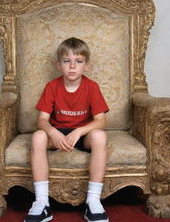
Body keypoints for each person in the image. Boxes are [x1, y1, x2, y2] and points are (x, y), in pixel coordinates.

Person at [24, 37, 109, 222]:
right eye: (66, 61)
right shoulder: (52, 86)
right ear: (58, 65)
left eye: (78, 61)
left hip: (82, 134)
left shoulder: (91, 87)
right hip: (58, 134)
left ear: (86, 65)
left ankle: (93, 202)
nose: (72, 66)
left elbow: (101, 121)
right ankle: (42, 203)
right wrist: (53, 132)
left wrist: (79, 131)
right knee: (38, 136)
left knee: (100, 136)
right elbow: (42, 121)